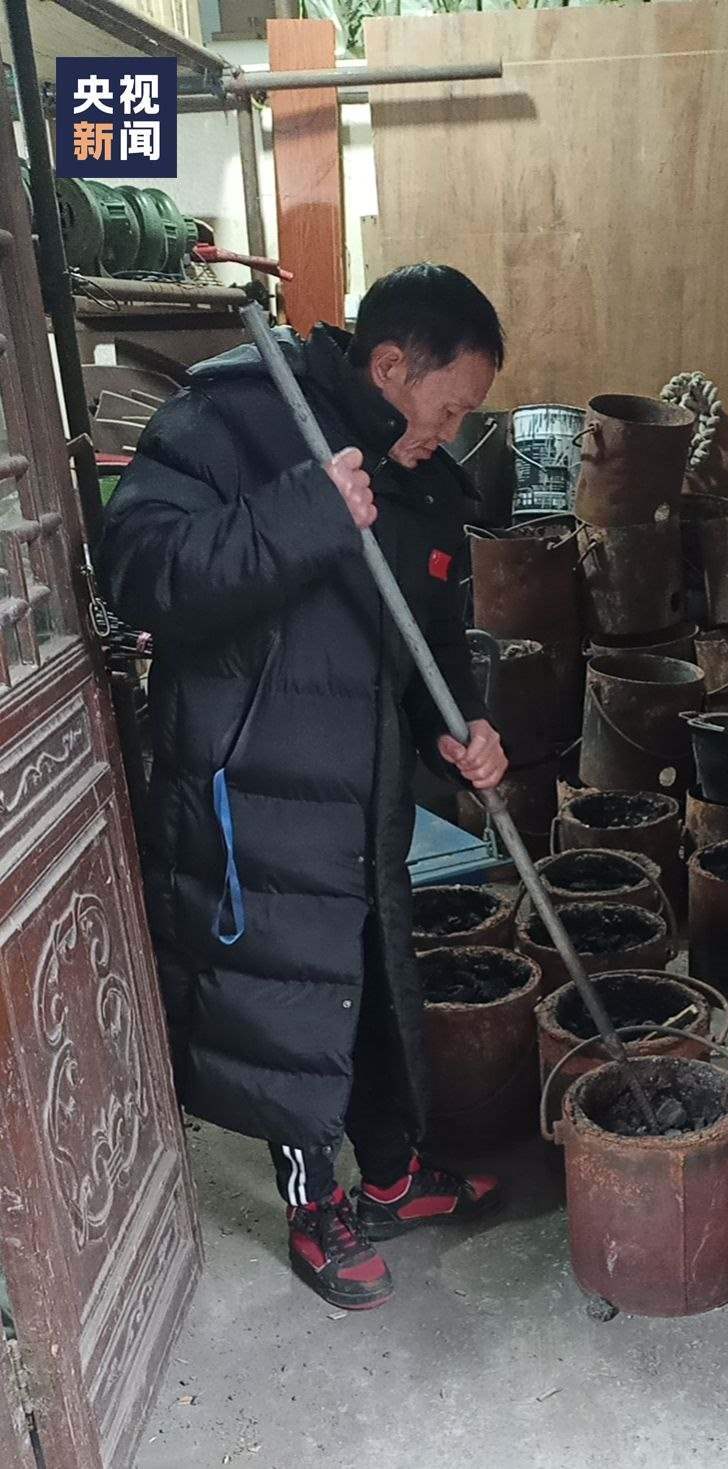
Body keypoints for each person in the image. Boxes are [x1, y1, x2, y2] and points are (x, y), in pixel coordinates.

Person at [97, 264, 510, 1311]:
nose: (453, 431)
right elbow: (138, 566)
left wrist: (460, 724)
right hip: (256, 788)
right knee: (288, 1001)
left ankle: (392, 1173)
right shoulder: (238, 412)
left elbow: (430, 630)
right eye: (450, 406)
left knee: (372, 982)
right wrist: (301, 513)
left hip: (366, 788)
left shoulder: (420, 472)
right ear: (391, 366)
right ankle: (313, 1205)